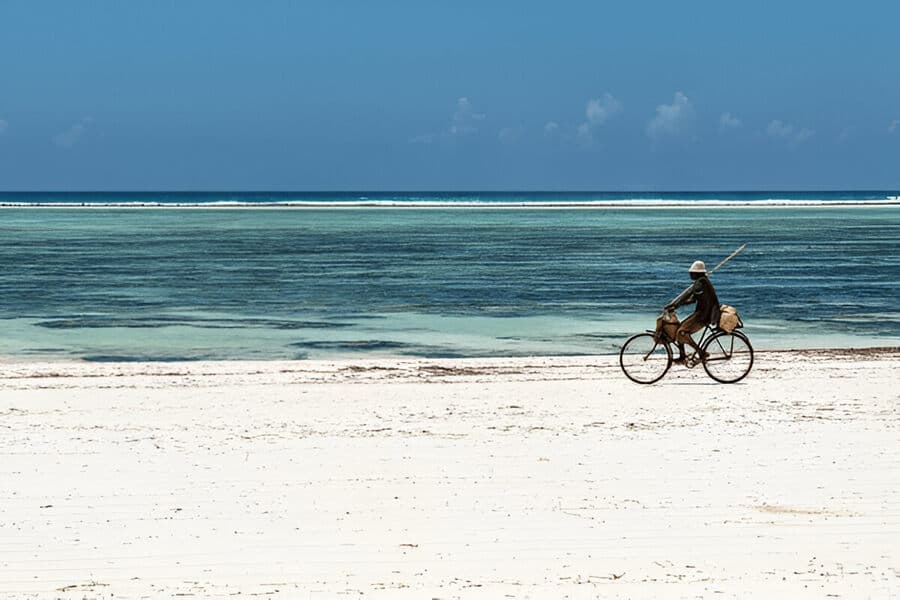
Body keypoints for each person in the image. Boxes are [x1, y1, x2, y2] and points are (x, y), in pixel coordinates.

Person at [666, 260, 720, 363]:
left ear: (696, 273)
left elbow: (688, 295)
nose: (690, 274)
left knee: (682, 332)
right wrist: (676, 306)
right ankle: (682, 356)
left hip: (704, 315)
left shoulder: (700, 283)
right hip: (702, 313)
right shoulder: (702, 282)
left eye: (692, 273)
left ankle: (701, 352)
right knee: (679, 328)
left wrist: (675, 305)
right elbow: (693, 299)